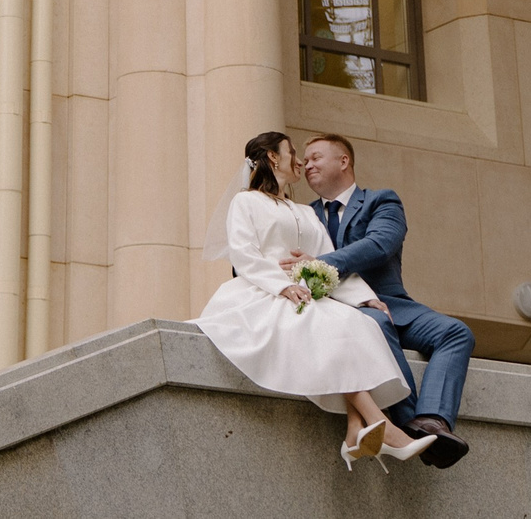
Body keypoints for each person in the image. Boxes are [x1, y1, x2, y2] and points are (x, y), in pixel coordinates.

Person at [192, 131, 437, 470]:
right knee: (323, 323)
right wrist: (281, 286)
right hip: (264, 291)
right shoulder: (245, 202)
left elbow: (327, 260)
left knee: (356, 321)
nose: (301, 162)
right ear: (273, 158)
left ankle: (355, 431)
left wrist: (365, 299)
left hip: (307, 292)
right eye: (293, 153)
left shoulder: (305, 213)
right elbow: (244, 255)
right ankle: (384, 428)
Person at [299, 133, 475, 468]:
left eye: (315, 157)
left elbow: (381, 243)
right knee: (375, 324)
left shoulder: (382, 201)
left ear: (343, 161)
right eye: (304, 161)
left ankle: (431, 420)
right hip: (333, 311)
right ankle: (406, 423)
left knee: (456, 332)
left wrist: (318, 265)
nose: (307, 165)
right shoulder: (302, 216)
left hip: (391, 303)